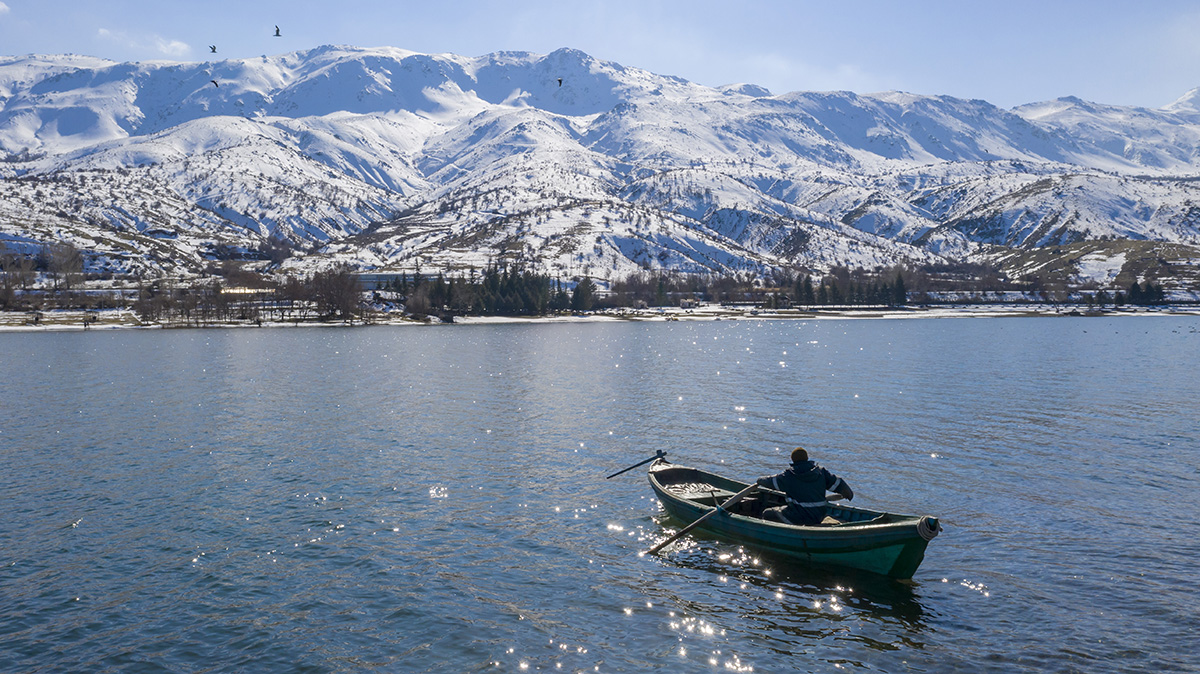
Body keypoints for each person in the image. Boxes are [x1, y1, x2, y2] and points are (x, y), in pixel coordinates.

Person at [756, 447, 854, 525]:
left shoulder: (789, 476)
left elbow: (769, 482)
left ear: (793, 460)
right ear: (807, 459)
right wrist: (848, 493)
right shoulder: (821, 472)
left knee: (767, 513)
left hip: (799, 517)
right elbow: (840, 484)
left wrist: (759, 480)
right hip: (818, 516)